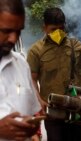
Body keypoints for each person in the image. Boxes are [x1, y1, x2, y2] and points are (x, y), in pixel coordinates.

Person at [26, 7, 81, 141]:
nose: (58, 33)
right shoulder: (35, 51)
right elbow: (31, 79)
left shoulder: (75, 45)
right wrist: (39, 100)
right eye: (53, 30)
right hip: (55, 113)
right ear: (44, 28)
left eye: (61, 29)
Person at [0, 0, 42, 140]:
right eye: (6, 31)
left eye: (18, 31)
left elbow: (32, 114)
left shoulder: (22, 64)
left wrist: (32, 128)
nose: (14, 39)